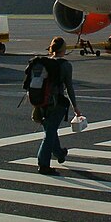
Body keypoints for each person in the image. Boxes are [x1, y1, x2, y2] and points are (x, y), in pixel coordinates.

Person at [29, 36, 81, 175]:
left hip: (41, 102)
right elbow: (69, 88)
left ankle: (59, 153)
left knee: (50, 130)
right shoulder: (65, 65)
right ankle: (43, 163)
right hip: (56, 103)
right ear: (63, 49)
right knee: (50, 133)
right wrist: (75, 107)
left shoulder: (44, 64)